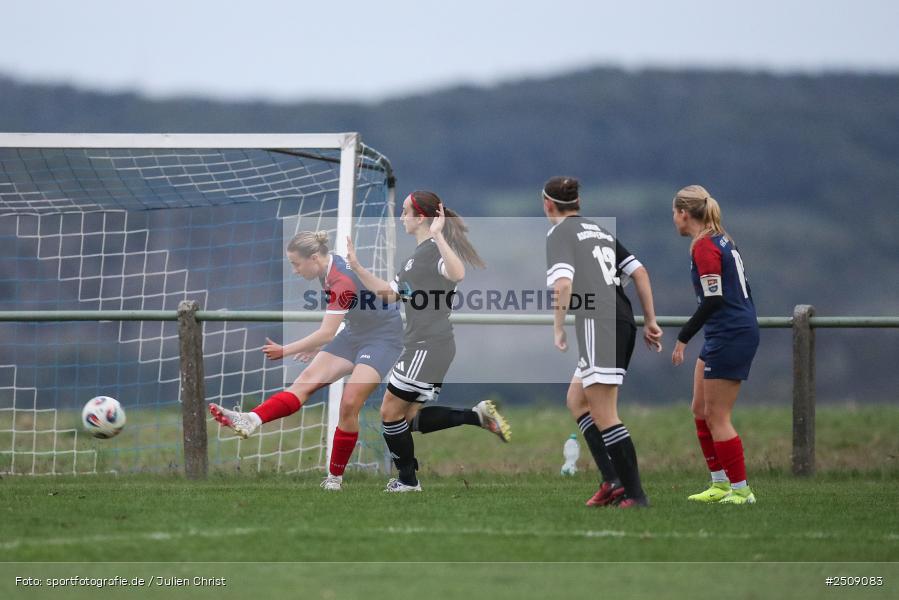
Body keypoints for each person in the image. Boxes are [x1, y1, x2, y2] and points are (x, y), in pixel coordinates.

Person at [209, 230, 403, 491]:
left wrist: (285, 350)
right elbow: (344, 318)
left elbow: (326, 332)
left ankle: (334, 479)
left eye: (296, 264)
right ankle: (251, 419)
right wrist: (322, 346)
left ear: (313, 258)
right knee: (305, 382)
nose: (294, 270)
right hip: (354, 334)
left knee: (349, 402)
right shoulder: (326, 269)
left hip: (383, 339)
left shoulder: (341, 280)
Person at [346, 190, 511, 492]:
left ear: (421, 217)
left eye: (405, 211)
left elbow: (457, 273)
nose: (401, 217)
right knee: (407, 418)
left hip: (428, 345)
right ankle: (476, 416)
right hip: (427, 345)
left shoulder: (434, 250)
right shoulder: (416, 257)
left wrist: (438, 235)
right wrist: (357, 267)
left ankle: (408, 481)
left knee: (389, 413)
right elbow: (390, 294)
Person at [543, 176, 663, 508]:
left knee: (605, 414)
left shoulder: (560, 233)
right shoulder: (598, 230)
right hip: (619, 319)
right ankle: (612, 481)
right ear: (577, 202)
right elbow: (640, 272)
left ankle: (634, 495)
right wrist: (650, 320)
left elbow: (563, 285)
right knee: (576, 400)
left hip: (600, 324)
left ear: (548, 204)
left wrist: (558, 328)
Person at [671, 185, 760, 505]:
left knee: (718, 415)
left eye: (674, 213)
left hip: (730, 333)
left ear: (684, 213)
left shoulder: (705, 246)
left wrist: (683, 337)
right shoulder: (718, 239)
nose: (674, 219)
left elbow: (713, 299)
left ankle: (742, 490)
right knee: (700, 409)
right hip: (721, 332)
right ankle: (719, 484)